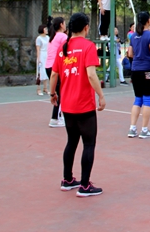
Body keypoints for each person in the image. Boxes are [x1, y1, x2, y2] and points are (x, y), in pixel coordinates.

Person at [49, 12, 105, 197]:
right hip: (84, 104)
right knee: (89, 143)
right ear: (86, 27)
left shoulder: (63, 48)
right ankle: (85, 185)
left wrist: (52, 93)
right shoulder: (88, 46)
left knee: (72, 141)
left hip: (67, 105)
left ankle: (67, 179)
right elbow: (91, 74)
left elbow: (54, 74)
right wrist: (101, 95)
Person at [46, 16, 68, 128]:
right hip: (56, 67)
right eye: (64, 23)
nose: (65, 25)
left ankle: (57, 117)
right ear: (61, 25)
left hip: (48, 66)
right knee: (61, 93)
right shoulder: (63, 36)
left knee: (58, 92)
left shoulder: (52, 36)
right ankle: (56, 118)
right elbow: (67, 50)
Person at [35, 24, 50, 95]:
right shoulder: (38, 38)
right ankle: (38, 89)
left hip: (47, 55)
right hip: (41, 55)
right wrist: (39, 59)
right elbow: (38, 49)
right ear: (42, 30)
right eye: (45, 29)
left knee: (46, 71)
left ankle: (45, 88)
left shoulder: (48, 37)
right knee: (40, 72)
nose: (47, 30)